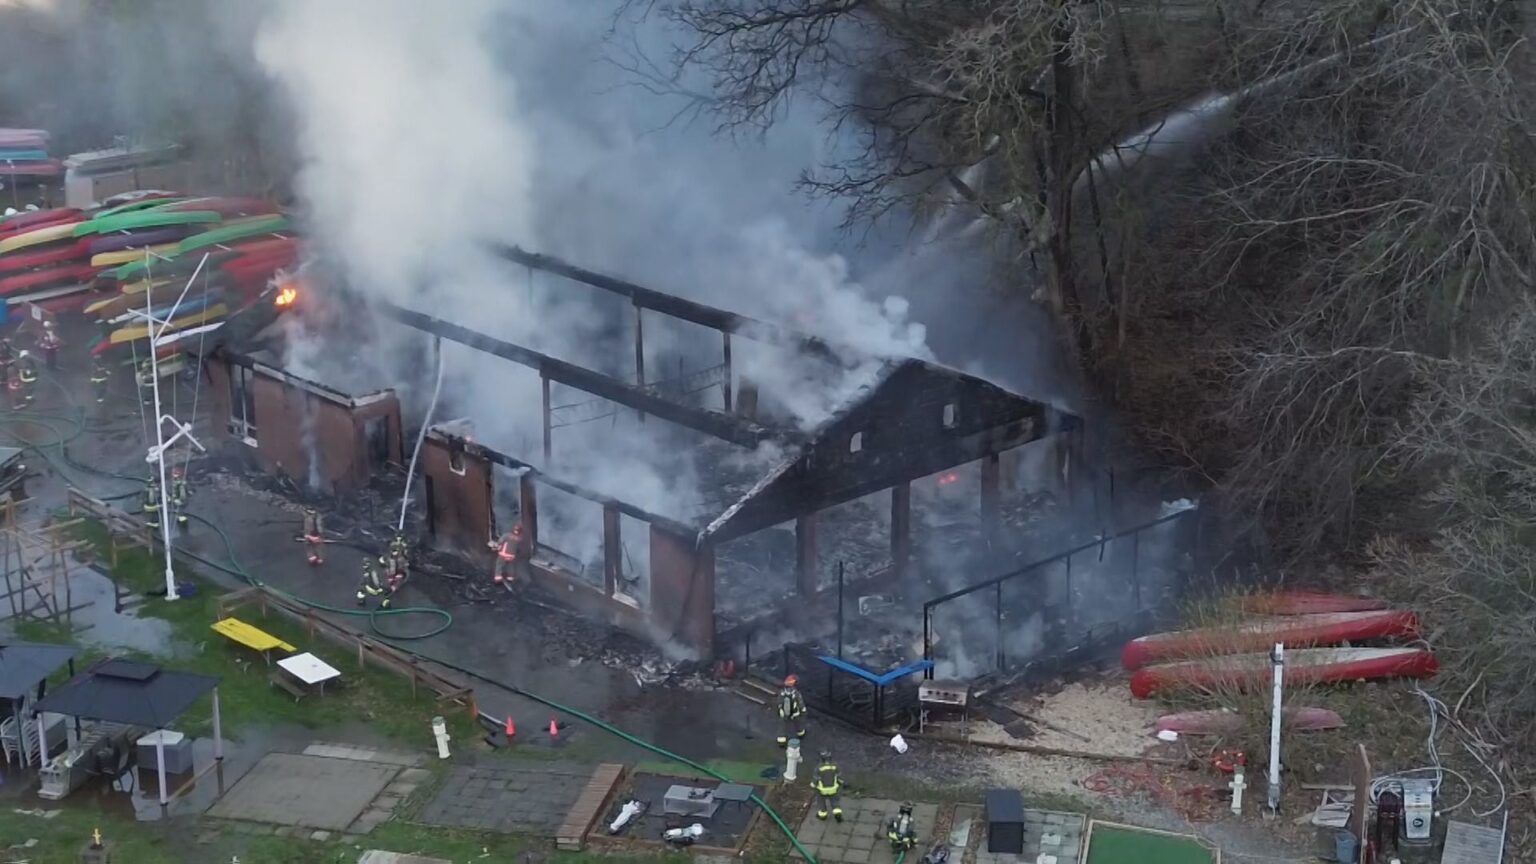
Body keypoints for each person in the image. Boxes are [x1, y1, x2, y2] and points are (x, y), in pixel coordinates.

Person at [775, 674, 807, 747]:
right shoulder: (796, 693)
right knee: (798, 723)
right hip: (795, 713)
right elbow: (800, 703)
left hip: (783, 713)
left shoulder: (782, 692)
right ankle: (800, 734)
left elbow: (778, 702)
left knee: (782, 726)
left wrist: (779, 710)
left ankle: (781, 741)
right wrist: (803, 710)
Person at [812, 750, 844, 822]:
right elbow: (839, 777)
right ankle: (837, 813)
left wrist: (813, 785)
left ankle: (823, 815)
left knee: (821, 801)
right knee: (835, 801)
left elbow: (815, 779)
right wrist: (841, 783)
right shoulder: (835, 766)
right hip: (833, 789)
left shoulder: (818, 767)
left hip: (822, 790)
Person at [491, 522, 525, 588]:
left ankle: (498, 580)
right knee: (510, 567)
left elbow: (499, 542)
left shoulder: (506, 535)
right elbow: (519, 549)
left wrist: (495, 546)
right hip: (512, 556)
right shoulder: (519, 539)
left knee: (499, 566)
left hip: (503, 555)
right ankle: (510, 579)